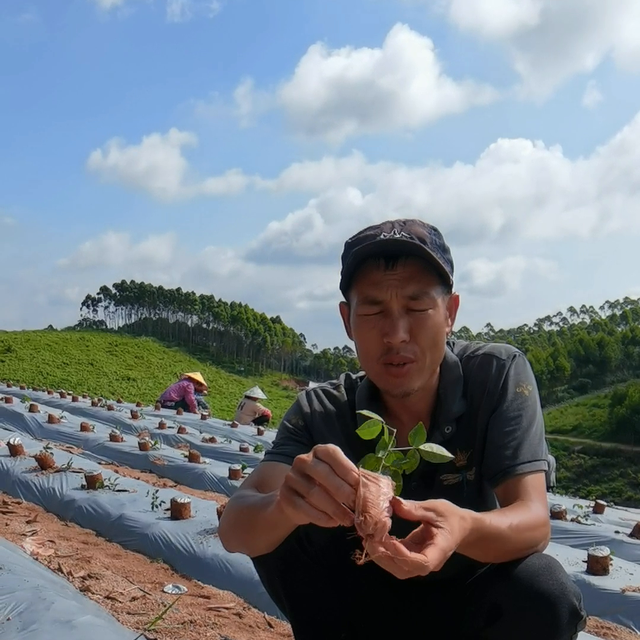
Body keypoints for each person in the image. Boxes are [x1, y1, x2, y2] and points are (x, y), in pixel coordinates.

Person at [218, 219, 587, 640]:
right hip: (358, 606)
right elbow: (235, 527)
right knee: (281, 528)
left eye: (416, 308)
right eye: (373, 310)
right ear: (347, 320)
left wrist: (462, 528)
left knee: (543, 590)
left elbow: (533, 521)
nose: (396, 334)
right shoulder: (322, 409)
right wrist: (287, 505)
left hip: (467, 600)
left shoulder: (497, 375)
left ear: (450, 314)